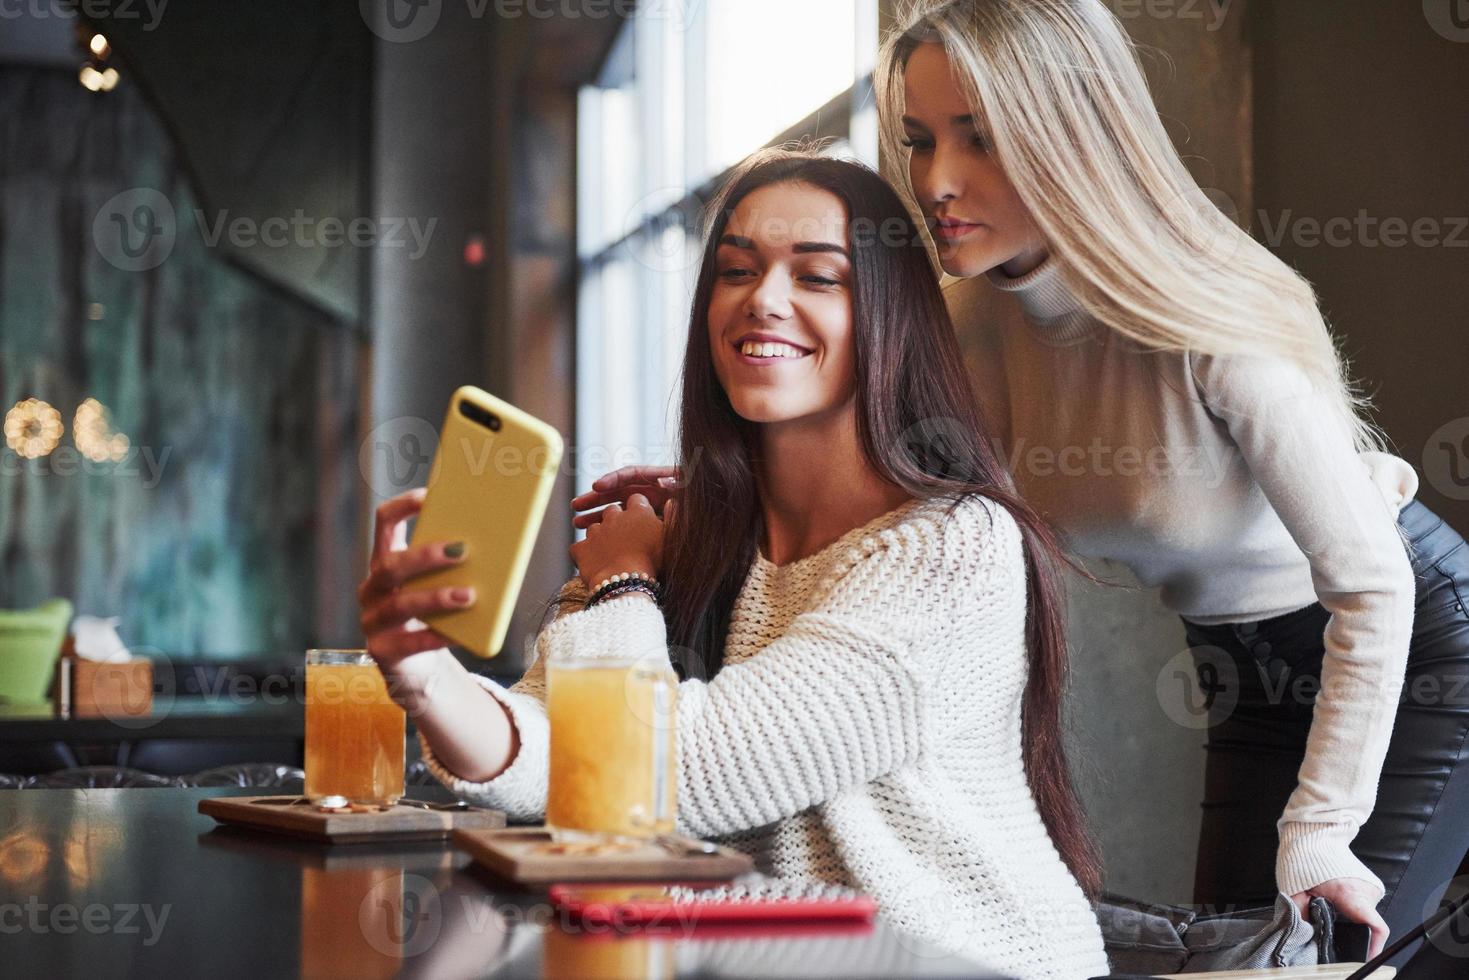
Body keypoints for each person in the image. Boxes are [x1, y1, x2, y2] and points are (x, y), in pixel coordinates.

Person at [357, 148, 1109, 978]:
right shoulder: (685, 541)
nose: (764, 301)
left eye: (817, 277)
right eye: (735, 270)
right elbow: (553, 761)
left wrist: (623, 584)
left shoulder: (950, 548)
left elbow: (671, 772)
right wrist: (426, 678)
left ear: (889, 316)